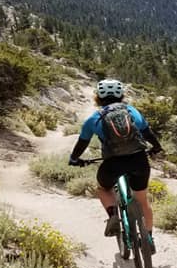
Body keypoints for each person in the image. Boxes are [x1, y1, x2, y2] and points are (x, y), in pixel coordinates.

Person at [68, 79, 163, 250]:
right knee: (143, 201)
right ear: (121, 95)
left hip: (113, 163)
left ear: (98, 97)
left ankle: (113, 215)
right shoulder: (131, 111)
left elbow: (82, 143)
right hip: (138, 160)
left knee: (104, 189)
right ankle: (148, 239)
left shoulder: (94, 119)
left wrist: (74, 159)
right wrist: (156, 147)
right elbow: (148, 133)